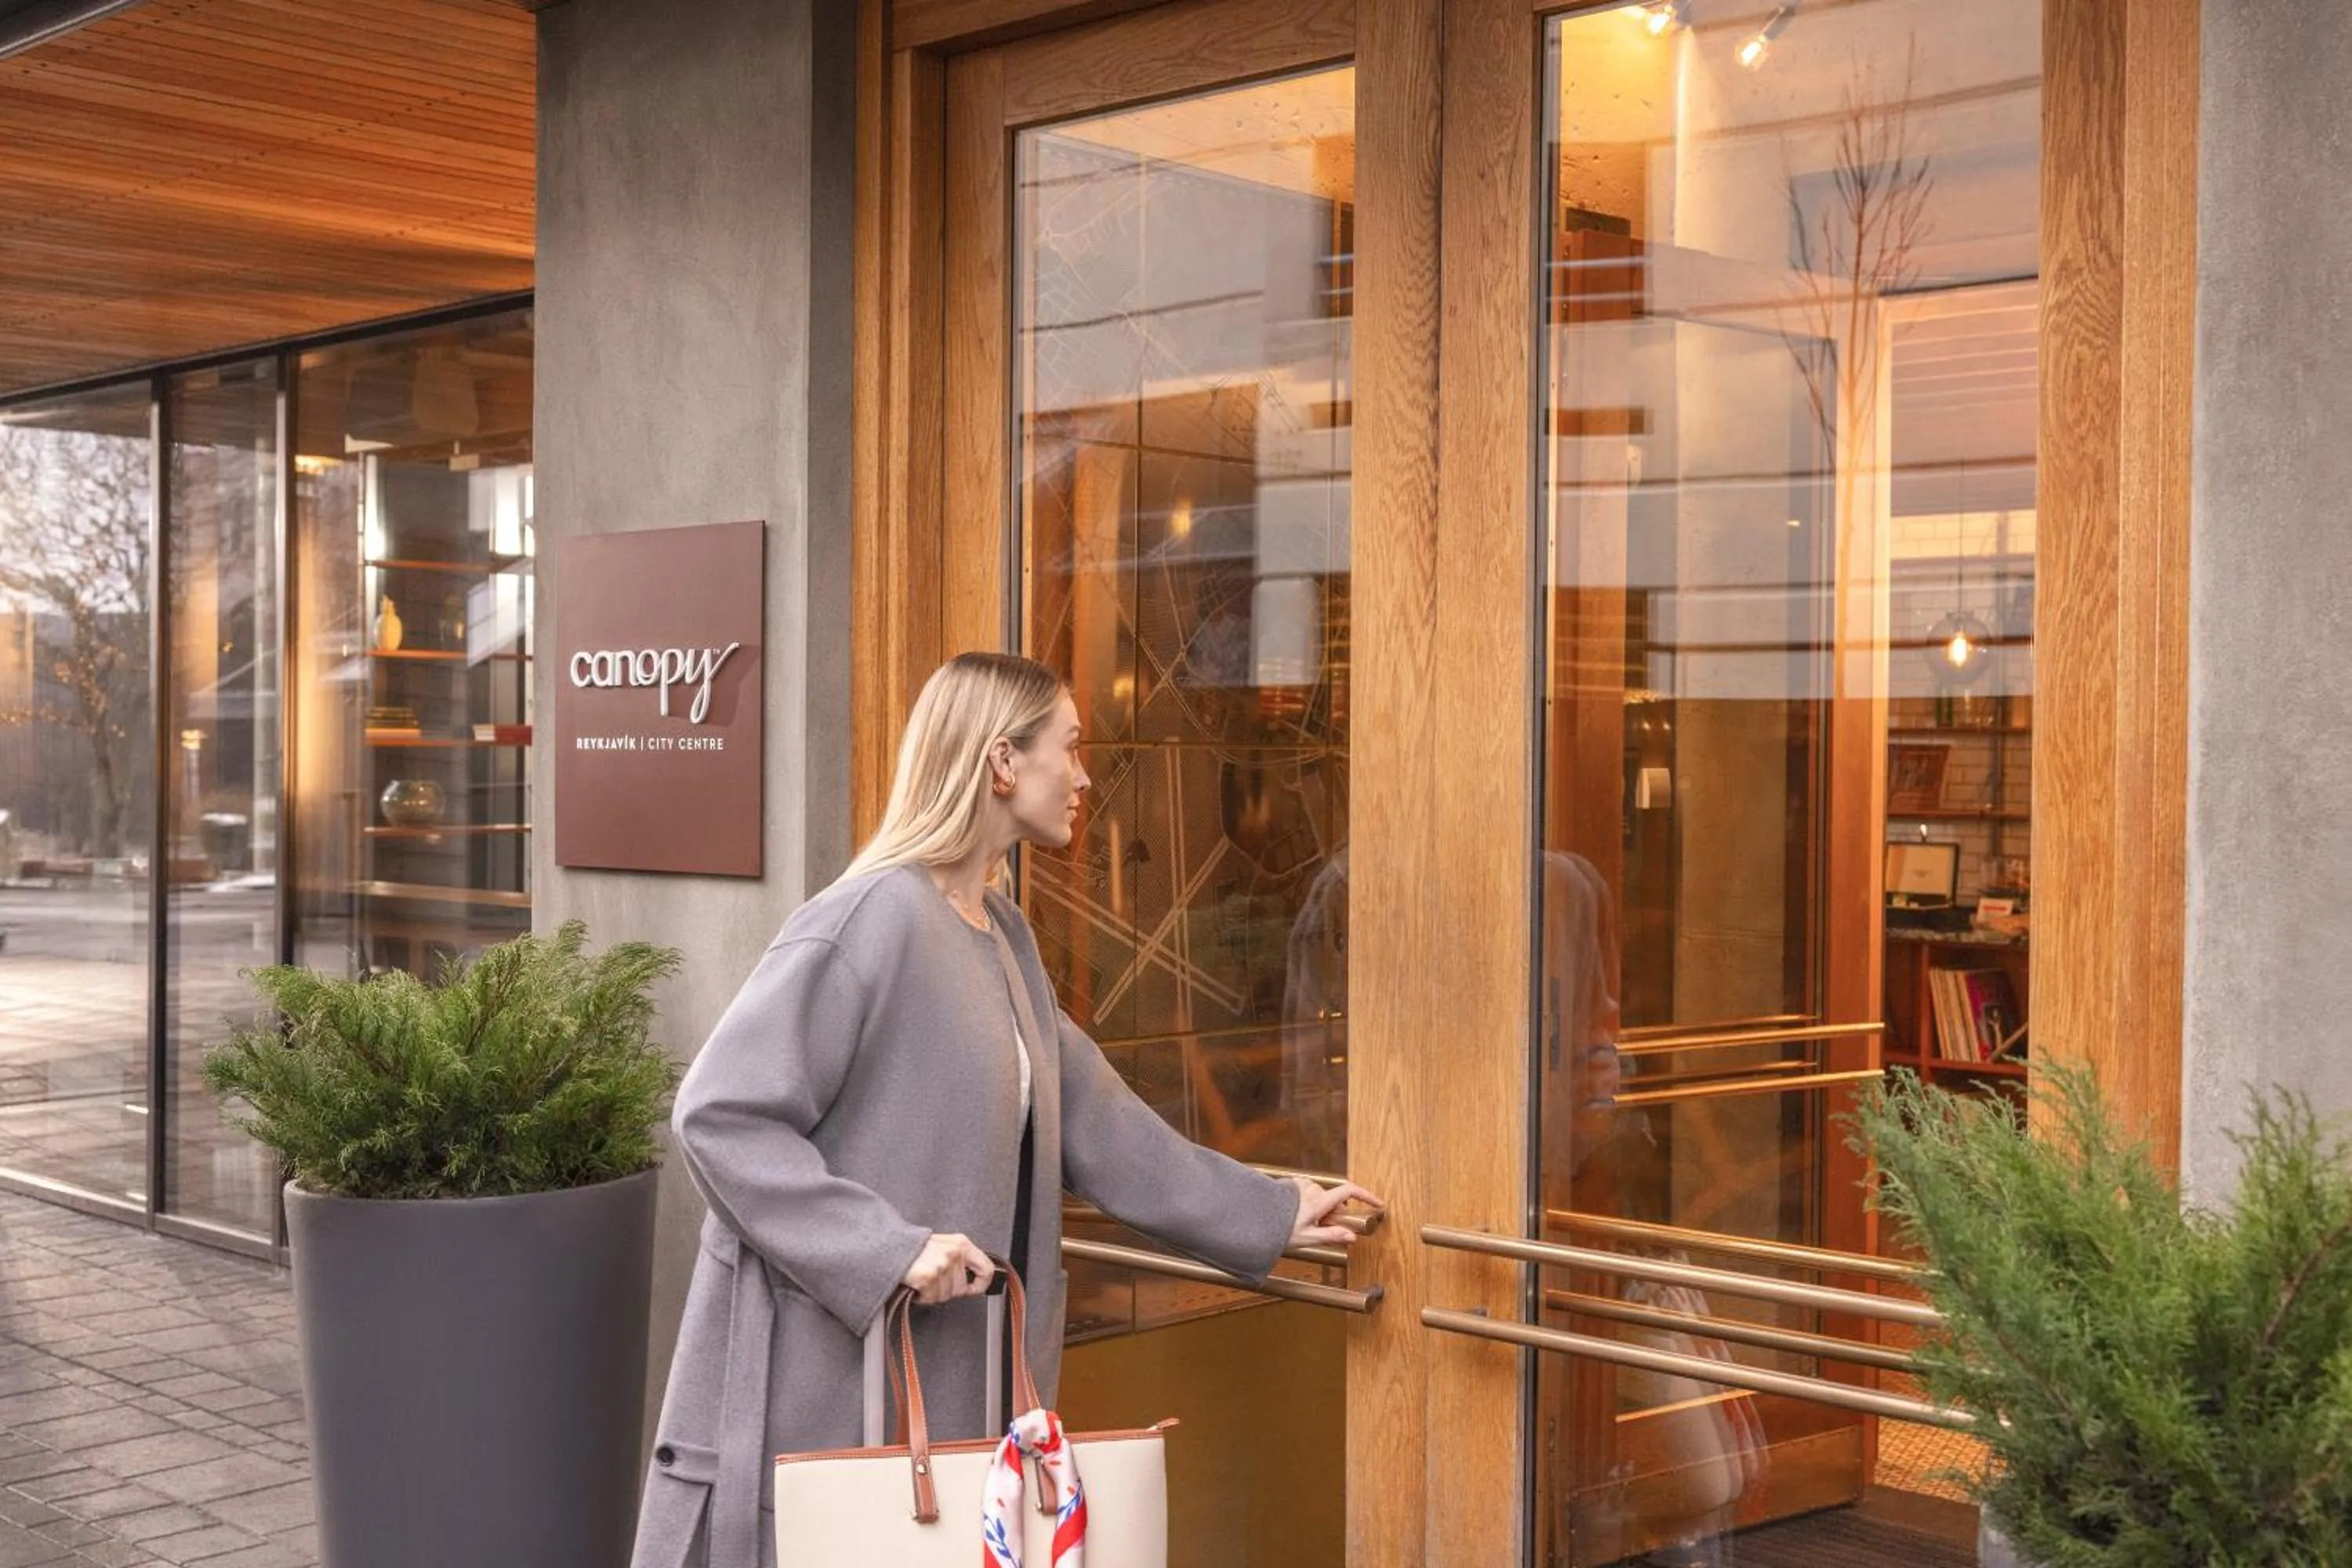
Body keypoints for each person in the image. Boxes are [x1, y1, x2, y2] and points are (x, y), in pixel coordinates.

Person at [630, 651, 1384, 1568]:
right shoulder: (868, 920)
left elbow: (1100, 1124)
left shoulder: (1002, 932)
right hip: (835, 1381)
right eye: (1070, 746)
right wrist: (886, 1247)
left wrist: (1269, 1209)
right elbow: (719, 1113)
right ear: (1001, 761)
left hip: (952, 1374)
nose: (1083, 775)